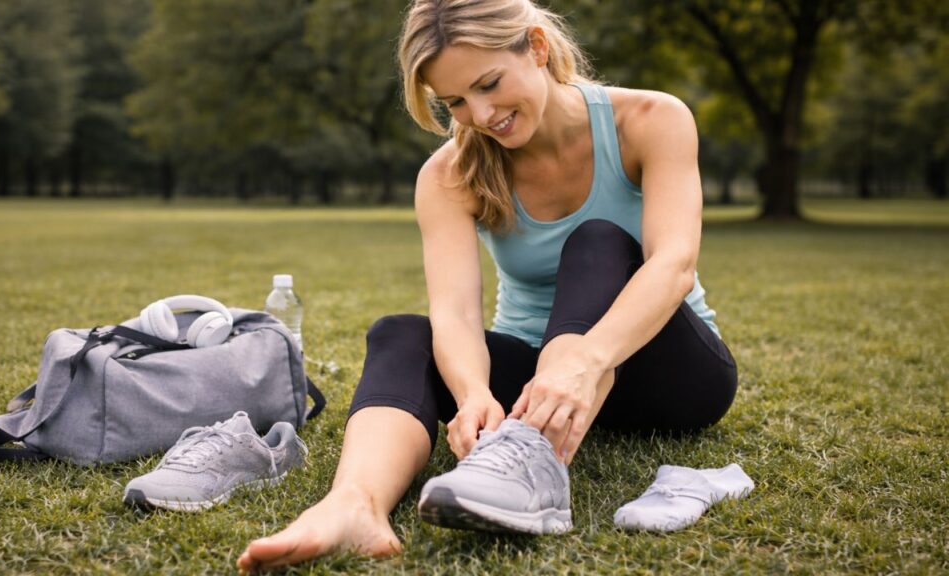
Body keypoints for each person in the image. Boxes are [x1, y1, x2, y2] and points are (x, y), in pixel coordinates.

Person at [238, 0, 737, 571]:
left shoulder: (652, 119)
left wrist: (583, 364)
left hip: (665, 373)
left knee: (598, 240)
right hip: (532, 389)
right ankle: (354, 504)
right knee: (401, 333)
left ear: (538, 48)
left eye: (489, 83)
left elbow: (673, 265)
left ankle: (533, 466)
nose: (480, 114)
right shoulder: (449, 173)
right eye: (454, 101)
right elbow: (454, 314)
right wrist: (474, 392)